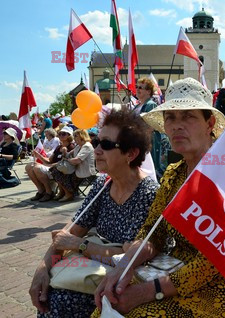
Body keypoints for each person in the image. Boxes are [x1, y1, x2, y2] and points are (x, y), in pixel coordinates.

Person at [92, 78, 225, 317]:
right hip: (174, 268)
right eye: (170, 117)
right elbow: (153, 231)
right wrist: (124, 266)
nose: (177, 126)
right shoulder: (173, 174)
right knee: (104, 308)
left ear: (209, 123)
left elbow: (216, 260)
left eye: (188, 116)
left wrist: (147, 291)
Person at [29, 109, 159, 318]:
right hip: (90, 271)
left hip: (119, 282)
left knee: (62, 302)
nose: (97, 150)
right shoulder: (103, 184)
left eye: (106, 145)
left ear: (131, 154)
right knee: (48, 291)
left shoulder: (149, 193)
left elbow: (130, 255)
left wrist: (81, 246)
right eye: (97, 141)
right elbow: (68, 234)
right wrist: (42, 268)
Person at [26, 126, 75, 202]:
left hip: (60, 168)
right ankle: (41, 190)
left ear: (69, 136)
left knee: (37, 168)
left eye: (64, 134)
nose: (61, 135)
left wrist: (50, 165)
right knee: (29, 166)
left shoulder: (71, 147)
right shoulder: (59, 147)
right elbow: (49, 160)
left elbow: (66, 162)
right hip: (52, 166)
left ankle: (49, 192)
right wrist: (39, 156)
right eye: (60, 134)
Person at [134, 77, 171, 178]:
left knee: (151, 170)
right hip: (138, 142)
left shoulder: (150, 105)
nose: (137, 89)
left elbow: (150, 126)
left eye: (141, 87)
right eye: (136, 87)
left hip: (149, 143)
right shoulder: (136, 107)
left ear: (148, 91)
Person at [49, 129, 96, 202]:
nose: (74, 138)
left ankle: (68, 193)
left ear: (82, 136)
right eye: (74, 136)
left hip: (84, 170)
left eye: (76, 136)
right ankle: (63, 192)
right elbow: (68, 155)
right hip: (77, 168)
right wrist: (64, 152)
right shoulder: (78, 146)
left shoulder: (87, 146)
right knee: (54, 169)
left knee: (57, 171)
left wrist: (67, 160)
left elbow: (77, 160)